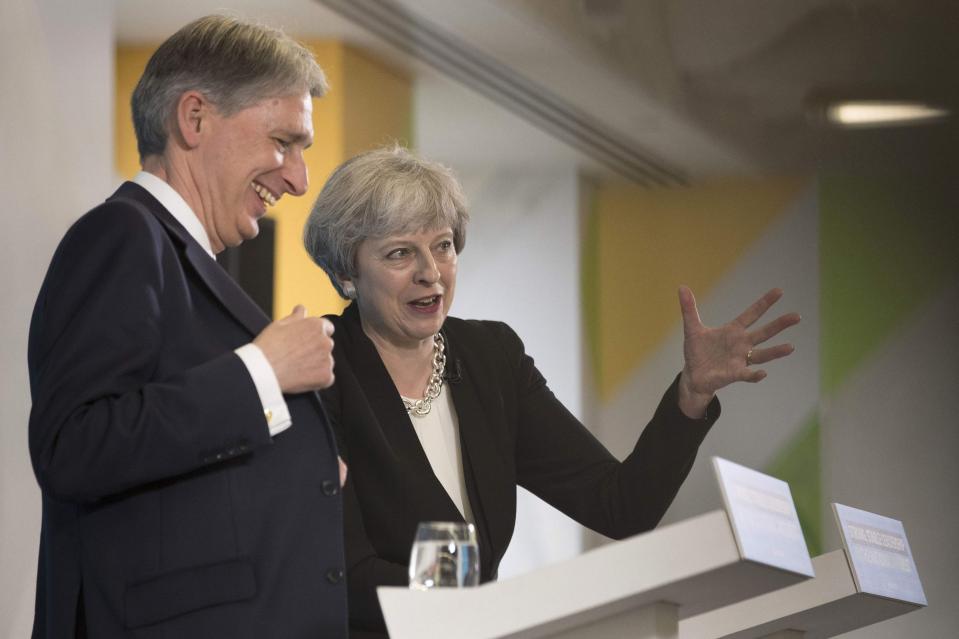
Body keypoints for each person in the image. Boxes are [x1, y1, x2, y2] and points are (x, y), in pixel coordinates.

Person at [303, 146, 801, 638]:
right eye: (399, 253)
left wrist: (691, 394)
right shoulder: (317, 373)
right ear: (347, 272)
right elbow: (338, 575)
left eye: (443, 245)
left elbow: (621, 506)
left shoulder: (490, 358)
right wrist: (485, 604)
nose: (430, 272)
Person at [28, 15, 348, 639]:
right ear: (194, 118)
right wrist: (264, 370)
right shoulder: (122, 235)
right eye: (284, 141)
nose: (298, 178)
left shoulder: (177, 252)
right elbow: (76, 444)